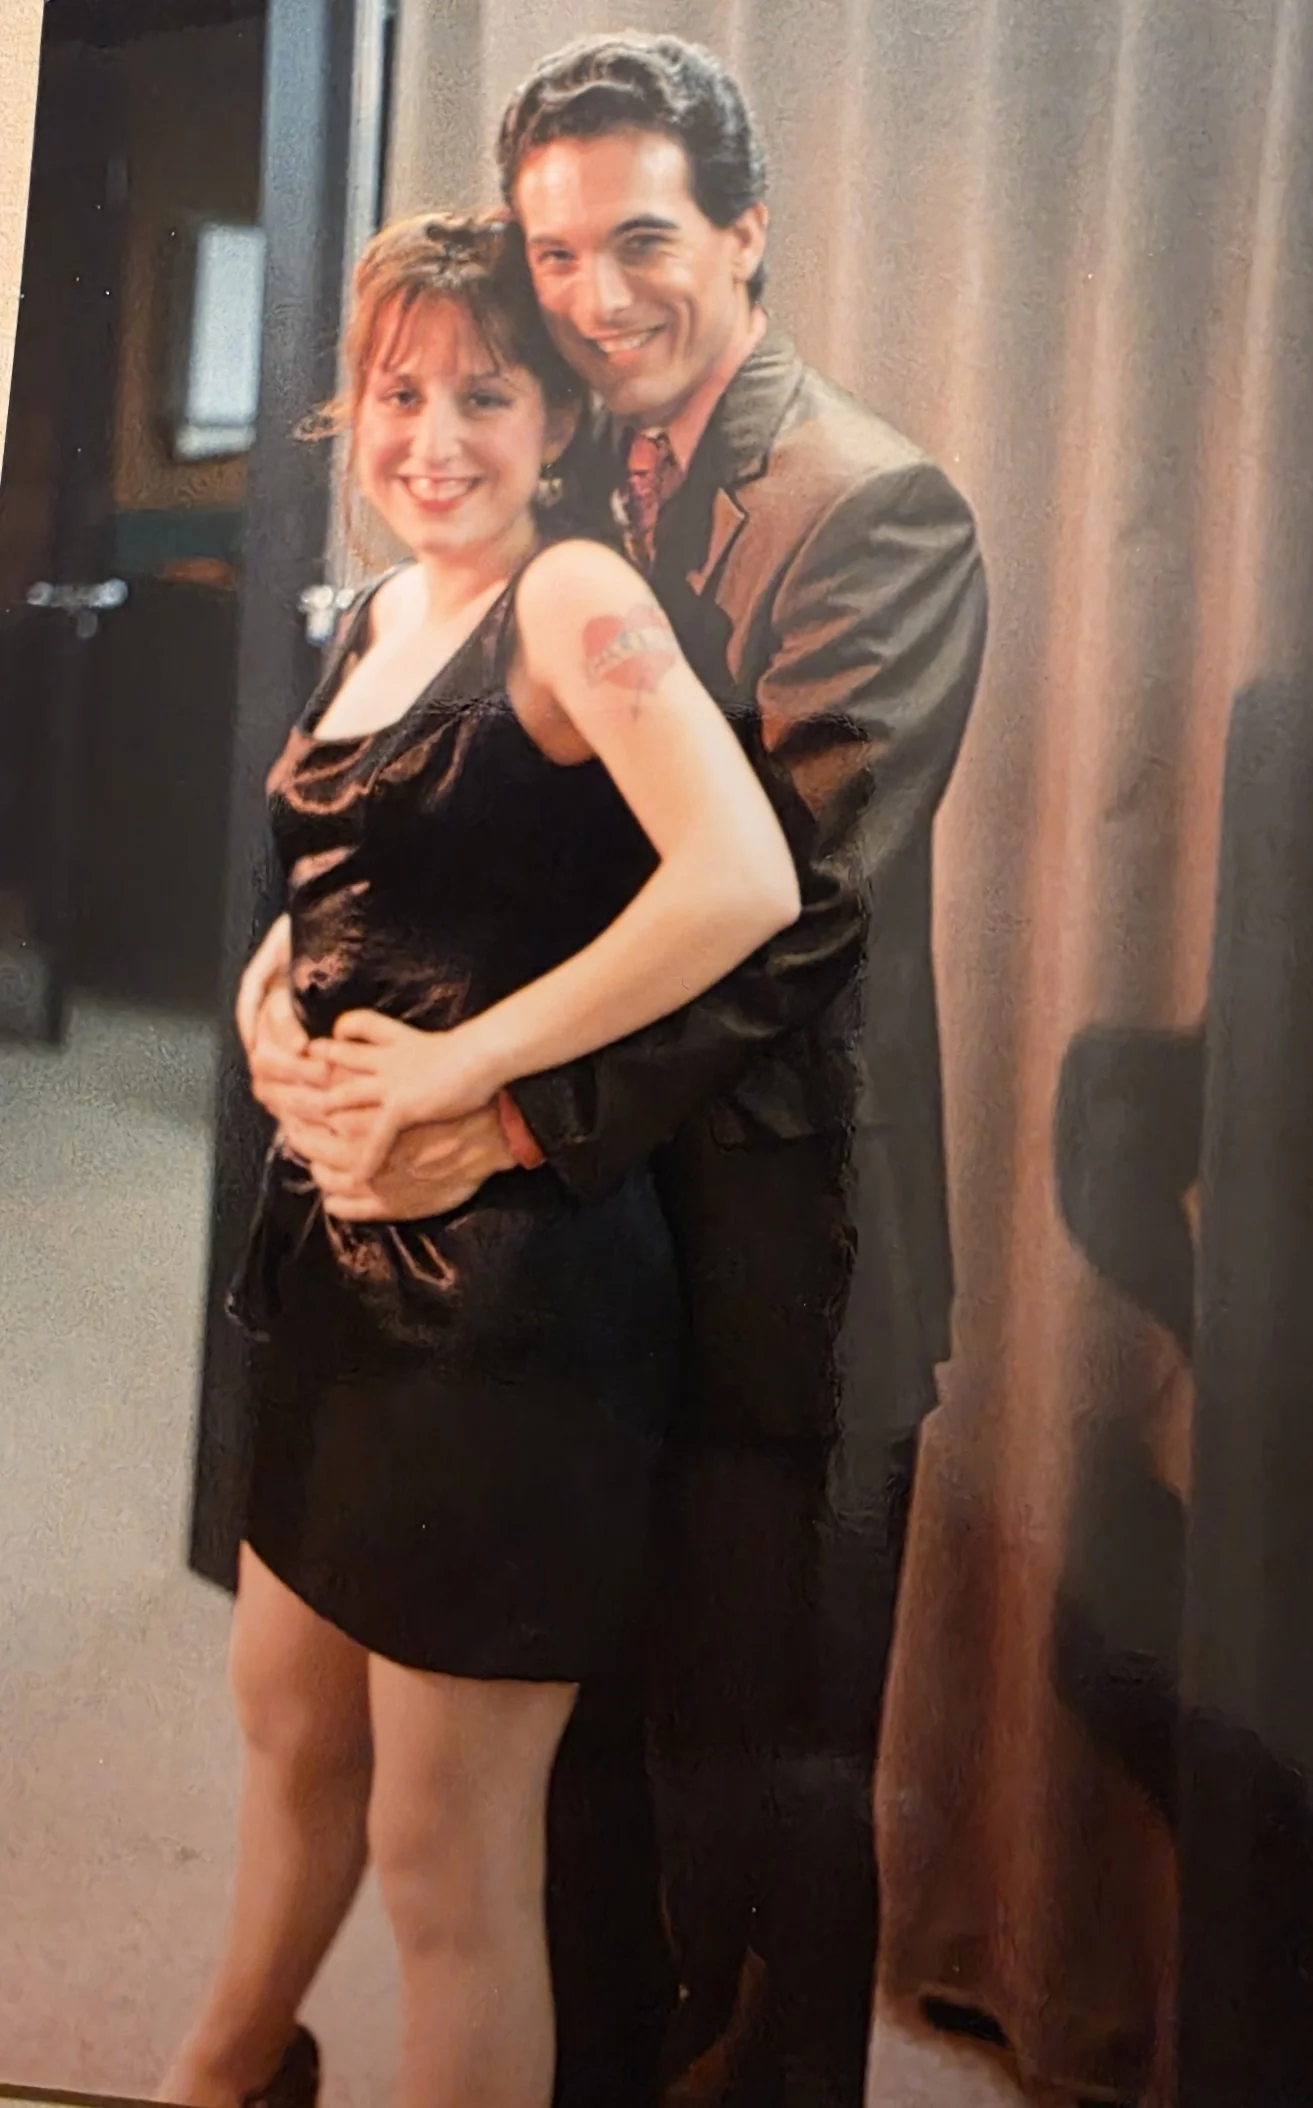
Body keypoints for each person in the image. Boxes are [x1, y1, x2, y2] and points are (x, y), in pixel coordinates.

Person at [241, 32, 989, 2108]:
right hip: (577, 1274)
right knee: (560, 1783)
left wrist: (484, 1104)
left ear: (744, 235)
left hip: (781, 1259)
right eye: (555, 250)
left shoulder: (868, 501)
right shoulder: (563, 478)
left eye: (638, 237)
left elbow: (797, 915)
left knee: (752, 1803)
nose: (590, 290)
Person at [161, 207, 800, 2108]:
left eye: (489, 395)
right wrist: (281, 992)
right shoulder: (380, 608)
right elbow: (375, 865)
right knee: (287, 1731)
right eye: (400, 391)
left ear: (557, 424)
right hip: (335, 1267)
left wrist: (463, 1068)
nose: (434, 436)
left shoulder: (569, 595)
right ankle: (222, 2074)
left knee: (451, 1860)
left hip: (508, 1295)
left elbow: (746, 877)